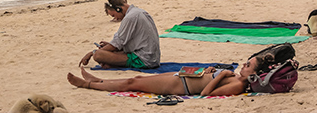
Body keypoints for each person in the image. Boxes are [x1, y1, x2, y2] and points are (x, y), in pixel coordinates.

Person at [68, 58, 259, 96]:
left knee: (132, 83)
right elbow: (209, 79)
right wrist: (212, 71)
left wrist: (220, 75)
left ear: (254, 74)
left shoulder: (237, 86)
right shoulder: (235, 76)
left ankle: (88, 85)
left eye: (248, 66)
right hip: (186, 75)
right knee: (138, 79)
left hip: (181, 85)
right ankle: (99, 81)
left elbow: (206, 93)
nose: (243, 65)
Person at [78, 0, 160, 69]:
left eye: (114, 15)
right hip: (151, 56)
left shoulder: (130, 18)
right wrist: (109, 46)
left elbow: (117, 43)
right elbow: (122, 41)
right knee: (107, 51)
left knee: (98, 55)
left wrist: (92, 53)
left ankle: (113, 63)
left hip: (144, 60)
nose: (115, 19)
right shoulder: (138, 12)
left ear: (118, 9)